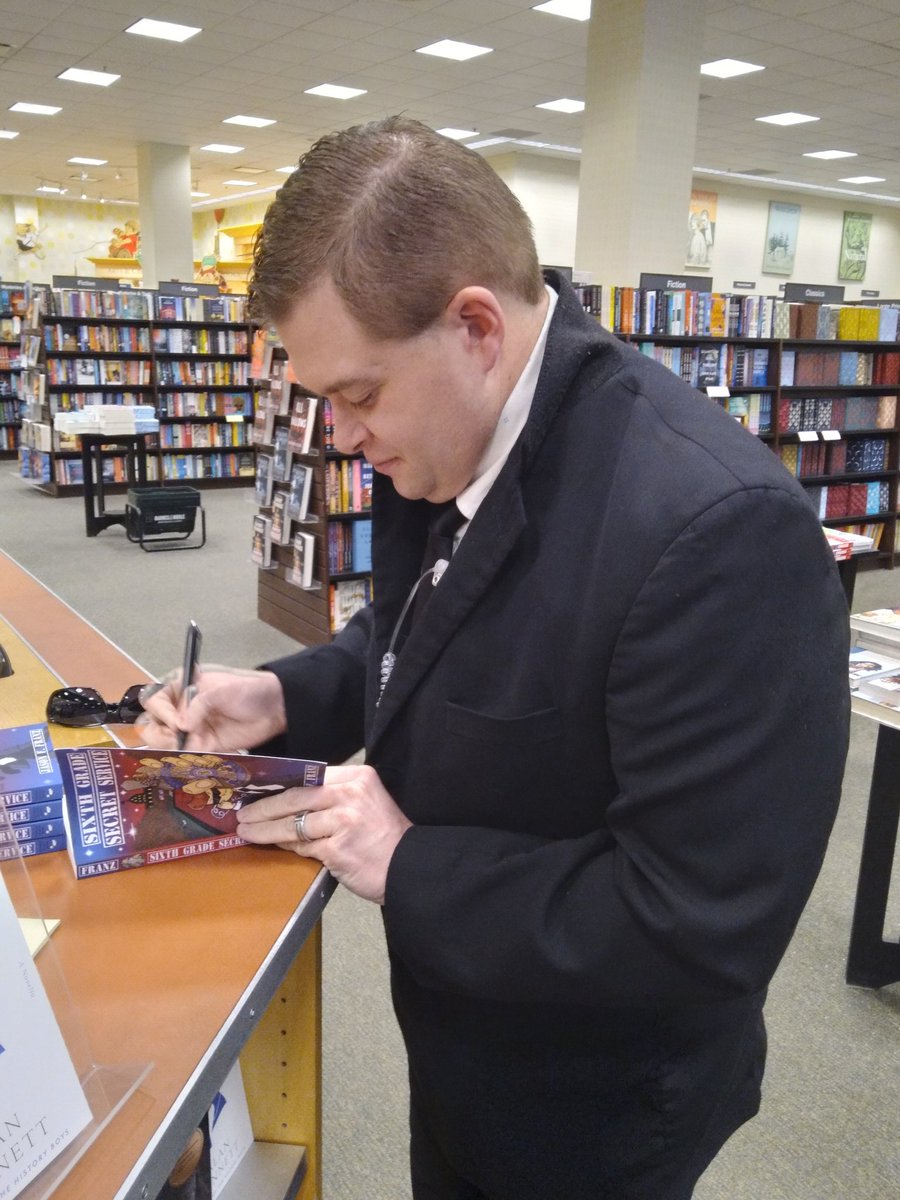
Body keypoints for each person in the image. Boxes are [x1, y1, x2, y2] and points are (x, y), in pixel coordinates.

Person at [140, 116, 850, 1200]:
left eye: (358, 395)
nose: (341, 435)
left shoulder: (714, 531)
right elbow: (428, 627)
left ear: (474, 324)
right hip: (470, 1034)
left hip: (592, 1099)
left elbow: (695, 927)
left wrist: (408, 862)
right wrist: (287, 693)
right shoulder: (452, 428)